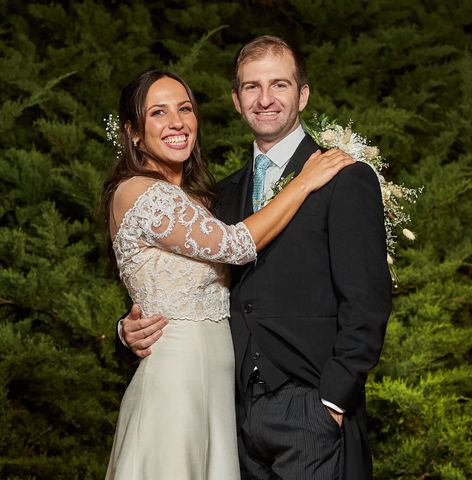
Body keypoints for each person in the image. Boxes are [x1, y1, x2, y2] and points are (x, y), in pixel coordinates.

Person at [118, 36, 392, 479]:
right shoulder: (218, 196)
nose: (265, 99)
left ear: (302, 94)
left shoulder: (345, 178)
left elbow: (368, 300)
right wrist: (125, 329)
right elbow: (179, 282)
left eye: (279, 85)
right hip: (232, 419)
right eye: (251, 87)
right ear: (236, 100)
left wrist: (332, 402)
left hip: (311, 410)